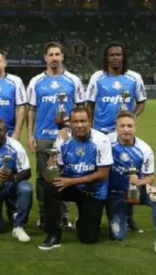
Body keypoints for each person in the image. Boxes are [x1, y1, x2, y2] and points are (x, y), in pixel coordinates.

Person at [87, 42, 147, 232]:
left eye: (118, 55)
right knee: (99, 176)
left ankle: (128, 216)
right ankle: (91, 214)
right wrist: (90, 126)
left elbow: (142, 101)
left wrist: (132, 118)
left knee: (126, 176)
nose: (115, 58)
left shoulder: (134, 77)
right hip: (102, 133)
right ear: (107, 58)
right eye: (111, 55)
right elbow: (90, 104)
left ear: (123, 57)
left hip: (122, 136)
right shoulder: (97, 77)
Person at [27, 42, 85, 229]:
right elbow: (31, 109)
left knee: (65, 174)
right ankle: (45, 215)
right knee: (44, 177)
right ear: (45, 57)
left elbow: (80, 109)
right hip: (43, 135)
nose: (54, 58)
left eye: (57, 54)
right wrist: (30, 135)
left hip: (66, 137)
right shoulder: (36, 81)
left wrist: (70, 126)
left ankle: (63, 215)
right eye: (50, 54)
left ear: (62, 57)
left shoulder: (73, 81)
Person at [39, 107, 112, 250]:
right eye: (75, 121)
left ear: (90, 121)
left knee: (88, 239)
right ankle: (54, 234)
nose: (79, 125)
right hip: (71, 186)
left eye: (83, 121)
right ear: (70, 123)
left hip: (93, 191)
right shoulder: (63, 138)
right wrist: (51, 167)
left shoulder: (101, 140)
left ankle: (83, 219)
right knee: (49, 187)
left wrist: (71, 181)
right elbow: (57, 168)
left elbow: (103, 174)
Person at [105, 112, 156, 251]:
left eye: (129, 126)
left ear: (135, 127)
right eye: (122, 126)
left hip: (137, 190)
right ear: (116, 127)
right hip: (115, 193)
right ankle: (124, 216)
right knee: (118, 236)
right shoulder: (106, 142)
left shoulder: (145, 149)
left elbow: (150, 177)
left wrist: (139, 182)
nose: (126, 129)